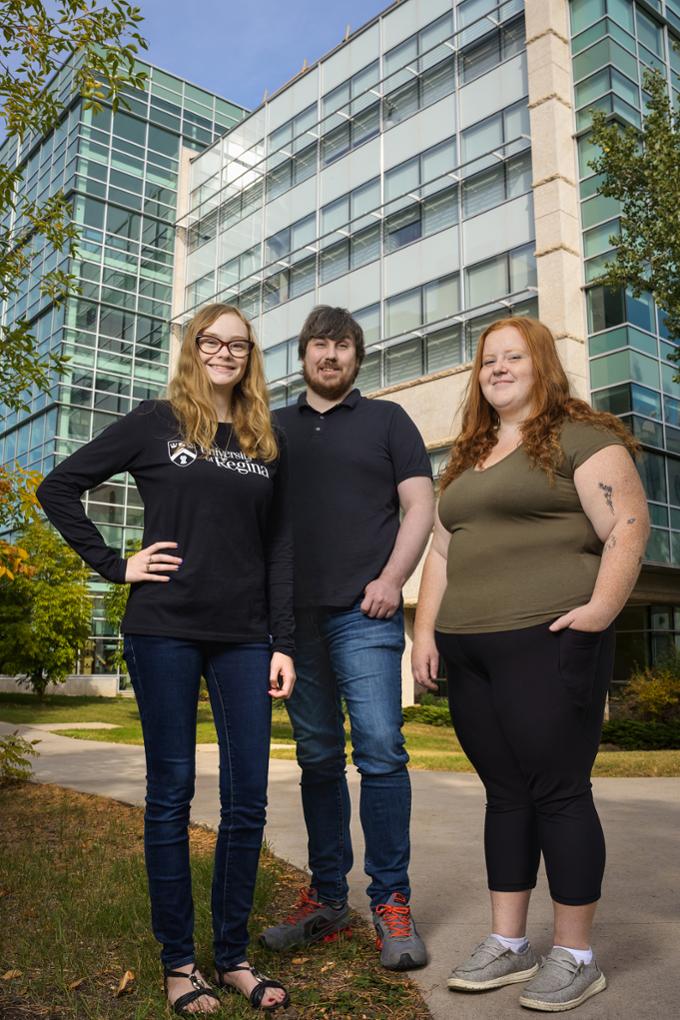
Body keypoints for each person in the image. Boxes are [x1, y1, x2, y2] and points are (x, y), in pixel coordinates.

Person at [37, 303, 295, 1015]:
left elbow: (279, 549)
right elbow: (58, 486)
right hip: (165, 628)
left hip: (244, 636)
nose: (224, 352)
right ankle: (180, 963)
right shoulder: (157, 422)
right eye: (211, 341)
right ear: (193, 348)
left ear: (250, 355)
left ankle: (234, 955)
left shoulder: (261, 440)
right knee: (171, 792)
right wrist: (116, 566)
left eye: (237, 344)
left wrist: (283, 643)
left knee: (249, 799)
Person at [412, 316, 649, 1012]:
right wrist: (426, 633)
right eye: (489, 361)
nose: (498, 369)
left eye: (513, 357)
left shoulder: (584, 439)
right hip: (469, 647)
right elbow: (444, 552)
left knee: (558, 792)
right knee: (505, 795)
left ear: (542, 364)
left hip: (548, 639)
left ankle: (576, 956)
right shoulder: (469, 457)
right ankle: (509, 944)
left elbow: (628, 524)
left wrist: (601, 610)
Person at [260, 305, 435, 971]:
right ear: (302, 354)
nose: (330, 355)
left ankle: (392, 902)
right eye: (319, 345)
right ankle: (328, 900)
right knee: (317, 757)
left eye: (342, 346)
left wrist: (394, 578)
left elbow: (420, 504)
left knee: (383, 751)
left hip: (366, 611)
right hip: (292, 622)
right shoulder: (271, 428)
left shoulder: (389, 421)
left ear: (358, 357)